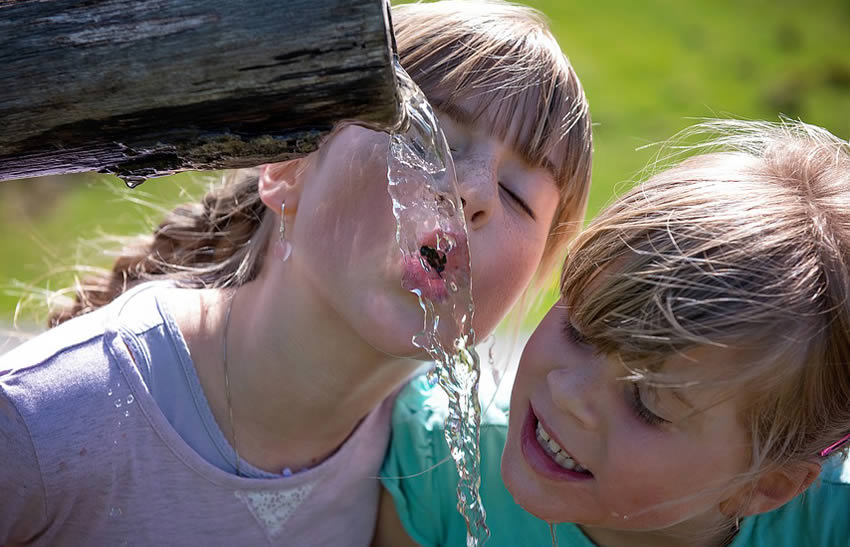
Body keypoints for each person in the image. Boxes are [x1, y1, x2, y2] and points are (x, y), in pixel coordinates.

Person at [0, 1, 592, 545]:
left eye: (517, 195)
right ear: (287, 166)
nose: (472, 193)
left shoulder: (434, 467)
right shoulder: (41, 424)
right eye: (426, 138)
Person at [377, 119, 850, 547]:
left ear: (764, 485)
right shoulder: (440, 465)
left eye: (646, 404)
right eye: (580, 330)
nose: (567, 392)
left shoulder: (831, 526)